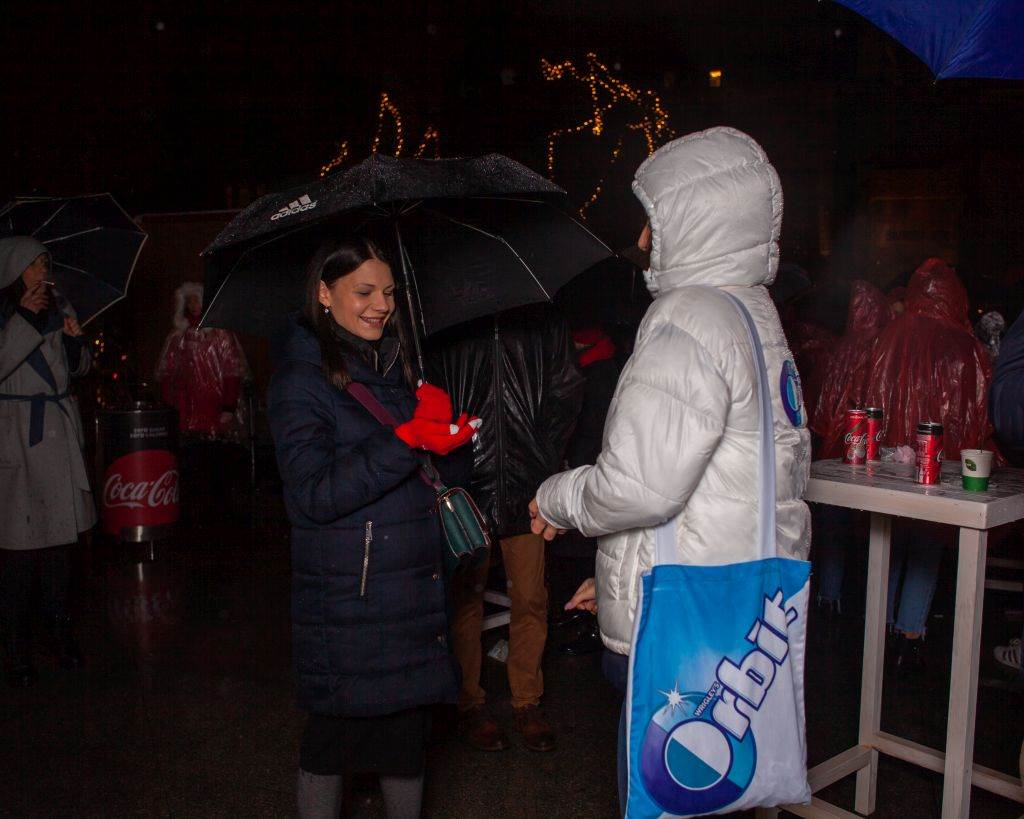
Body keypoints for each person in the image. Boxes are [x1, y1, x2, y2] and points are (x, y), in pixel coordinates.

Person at [530, 127, 812, 811]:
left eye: (655, 222)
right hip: (739, 613)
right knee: (718, 796)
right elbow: (741, 489)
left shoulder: (688, 318)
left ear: (695, 223)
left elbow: (641, 485)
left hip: (682, 630)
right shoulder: (754, 315)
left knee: (668, 790)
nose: (645, 240)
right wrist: (621, 574)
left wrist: (557, 496)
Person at [267, 237, 477, 819]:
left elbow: (426, 477)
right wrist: (405, 440)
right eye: (363, 291)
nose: (380, 304)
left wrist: (453, 442)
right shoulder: (300, 381)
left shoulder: (393, 369)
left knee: (406, 746)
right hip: (351, 603)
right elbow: (313, 495)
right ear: (323, 294)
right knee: (334, 746)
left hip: (411, 594)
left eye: (387, 292)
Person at [431, 303, 584, 753]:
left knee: (531, 597)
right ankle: (469, 703)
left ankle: (526, 701)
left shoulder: (542, 313)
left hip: (527, 483)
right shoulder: (451, 313)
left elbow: (567, 387)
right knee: (464, 599)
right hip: (466, 481)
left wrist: (543, 450)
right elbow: (429, 392)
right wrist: (449, 455)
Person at [859, 258, 993, 667]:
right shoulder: (965, 345)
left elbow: (870, 397)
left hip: (887, 460)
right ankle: (908, 634)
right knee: (926, 544)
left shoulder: (889, 336)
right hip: (943, 465)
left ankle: (876, 636)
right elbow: (979, 413)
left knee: (890, 542)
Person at [0, 236, 95, 687]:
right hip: (16, 434)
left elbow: (74, 369)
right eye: (34, 264)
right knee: (19, 552)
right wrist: (24, 318)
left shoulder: (61, 307)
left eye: (45, 263)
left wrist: (78, 347)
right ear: (13, 271)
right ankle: (16, 644)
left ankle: (60, 634)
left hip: (56, 434)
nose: (43, 271)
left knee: (60, 548)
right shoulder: (7, 317)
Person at [809, 280, 891, 618]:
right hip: (869, 448)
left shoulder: (839, 348)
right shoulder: (884, 347)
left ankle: (829, 598)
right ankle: (869, 607)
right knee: (876, 527)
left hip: (834, 450)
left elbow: (822, 409)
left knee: (833, 526)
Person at [155, 282, 249, 522]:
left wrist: (228, 408)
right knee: (192, 471)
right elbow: (167, 374)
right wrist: (171, 410)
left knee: (219, 469)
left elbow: (232, 371)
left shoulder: (221, 334)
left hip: (216, 416)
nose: (194, 305)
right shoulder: (178, 338)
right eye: (190, 301)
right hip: (187, 418)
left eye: (197, 300)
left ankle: (221, 520)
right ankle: (196, 520)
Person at [552, 326, 621, 656]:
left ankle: (591, 629)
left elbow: (588, 429)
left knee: (588, 555)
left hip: (591, 479)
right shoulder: (603, 366)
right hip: (591, 477)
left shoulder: (598, 373)